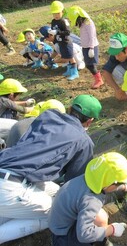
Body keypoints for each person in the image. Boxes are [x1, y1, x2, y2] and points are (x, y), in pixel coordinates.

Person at [0, 94, 102, 243]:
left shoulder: (48, 115)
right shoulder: (83, 141)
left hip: (7, 169)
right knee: (58, 213)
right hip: (10, 186)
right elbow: (73, 183)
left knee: (53, 192)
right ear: (90, 121)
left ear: (69, 108)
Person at [49, 152, 127, 246]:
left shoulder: (88, 178)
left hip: (58, 223)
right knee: (100, 220)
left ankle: (101, 241)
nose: (118, 186)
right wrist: (112, 229)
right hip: (63, 236)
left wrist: (123, 187)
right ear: (110, 183)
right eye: (119, 184)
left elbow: (105, 188)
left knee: (101, 216)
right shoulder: (91, 200)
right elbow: (84, 235)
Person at [66, 6, 104, 89]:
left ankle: (99, 80)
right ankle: (98, 79)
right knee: (88, 64)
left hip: (91, 47)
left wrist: (91, 48)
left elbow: (92, 36)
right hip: (85, 46)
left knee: (91, 65)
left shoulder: (88, 23)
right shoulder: (83, 23)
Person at [49, 0, 79, 80]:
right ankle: (69, 70)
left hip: (66, 42)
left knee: (70, 57)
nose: (56, 15)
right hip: (60, 42)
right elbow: (53, 30)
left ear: (62, 12)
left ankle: (75, 72)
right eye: (54, 13)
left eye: (58, 13)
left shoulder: (63, 21)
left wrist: (57, 32)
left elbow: (67, 32)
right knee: (66, 57)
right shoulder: (53, 21)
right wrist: (51, 32)